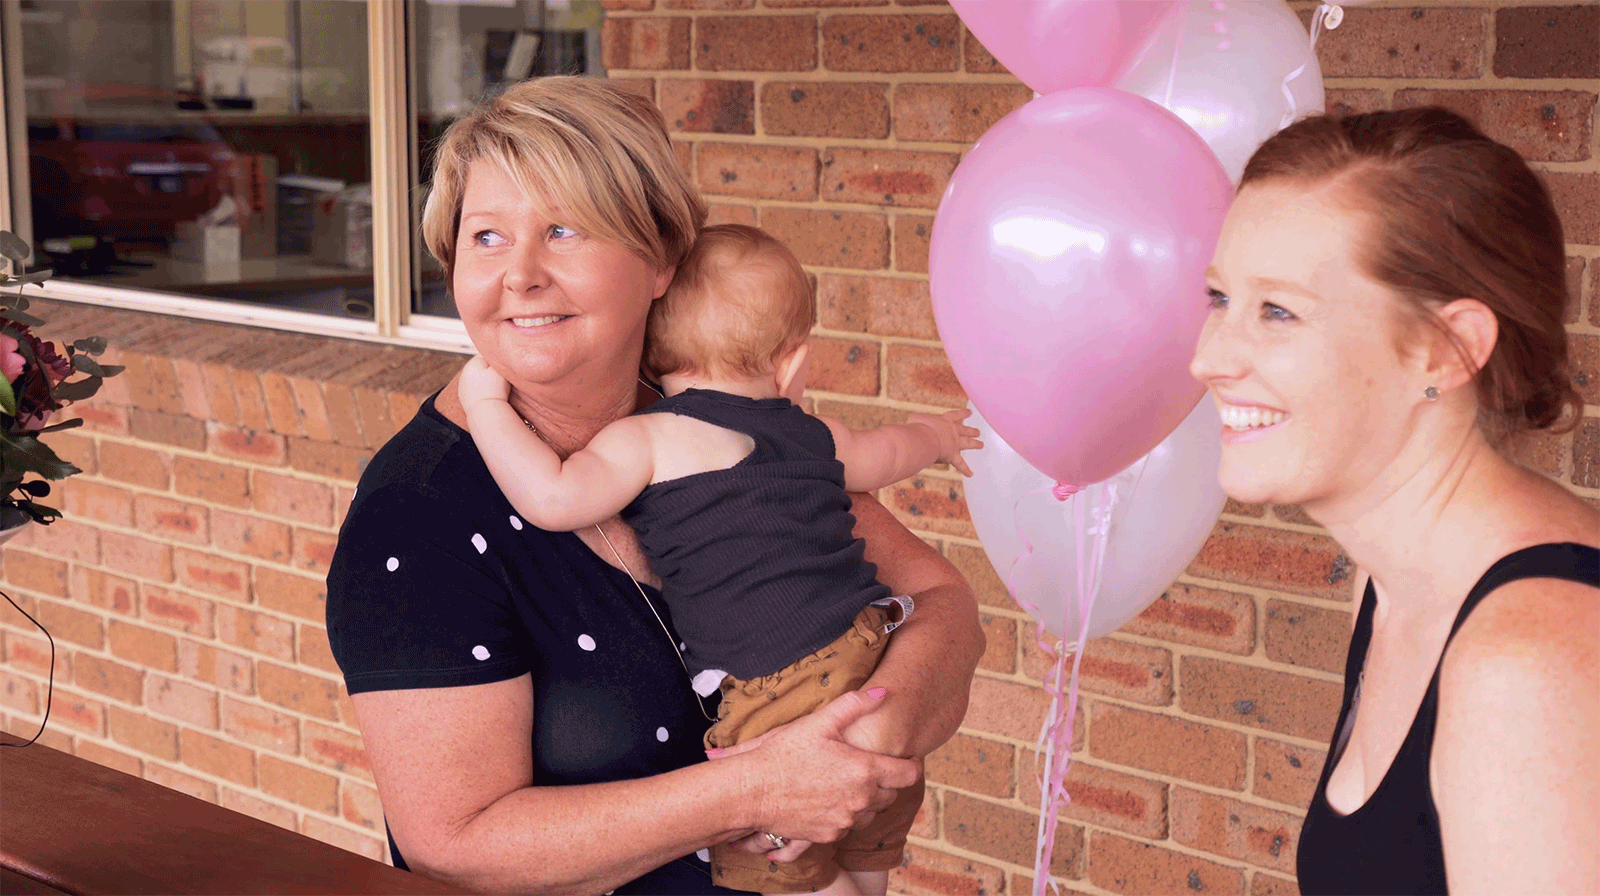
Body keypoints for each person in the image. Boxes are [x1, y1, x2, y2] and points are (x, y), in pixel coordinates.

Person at [324, 76, 985, 895]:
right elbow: (453, 844)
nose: (520, 276)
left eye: (562, 230)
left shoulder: (718, 427)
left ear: (661, 259)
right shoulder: (419, 517)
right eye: (486, 237)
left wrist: (860, 735)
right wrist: (761, 786)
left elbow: (942, 603)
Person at [457, 222, 982, 896]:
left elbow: (552, 498)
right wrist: (936, 435)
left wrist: (485, 405)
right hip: (871, 651)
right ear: (791, 364)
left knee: (800, 874)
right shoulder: (814, 435)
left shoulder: (647, 438)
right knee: (862, 840)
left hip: (778, 690)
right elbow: (890, 451)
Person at [1190, 107, 1598, 895]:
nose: (1208, 358)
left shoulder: (1527, 666)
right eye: (1218, 298)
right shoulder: (1390, 584)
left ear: (1445, 350)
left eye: (1277, 310)